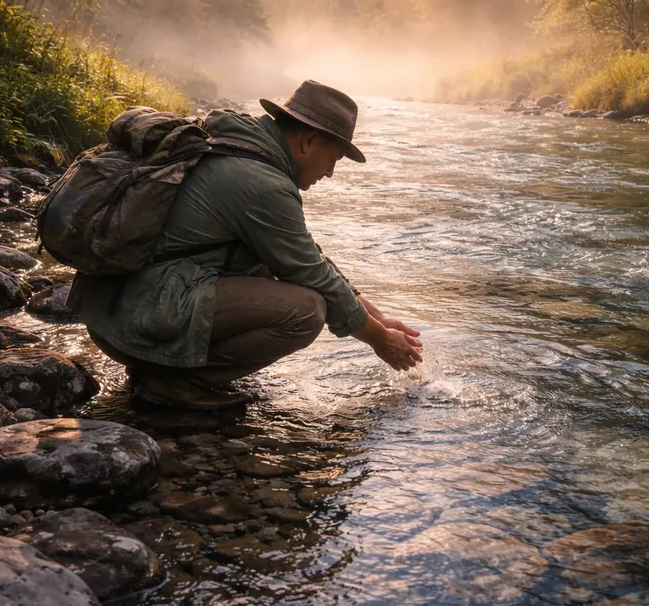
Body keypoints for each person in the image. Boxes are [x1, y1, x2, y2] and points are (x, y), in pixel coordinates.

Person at [74, 79, 423, 408]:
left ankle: (156, 367)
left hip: (114, 310)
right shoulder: (263, 185)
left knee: (272, 274)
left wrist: (377, 318)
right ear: (308, 142)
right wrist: (378, 339)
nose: (330, 172)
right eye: (334, 158)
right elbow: (312, 275)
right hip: (132, 319)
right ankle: (174, 382)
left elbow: (307, 257)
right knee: (306, 310)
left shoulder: (235, 142)